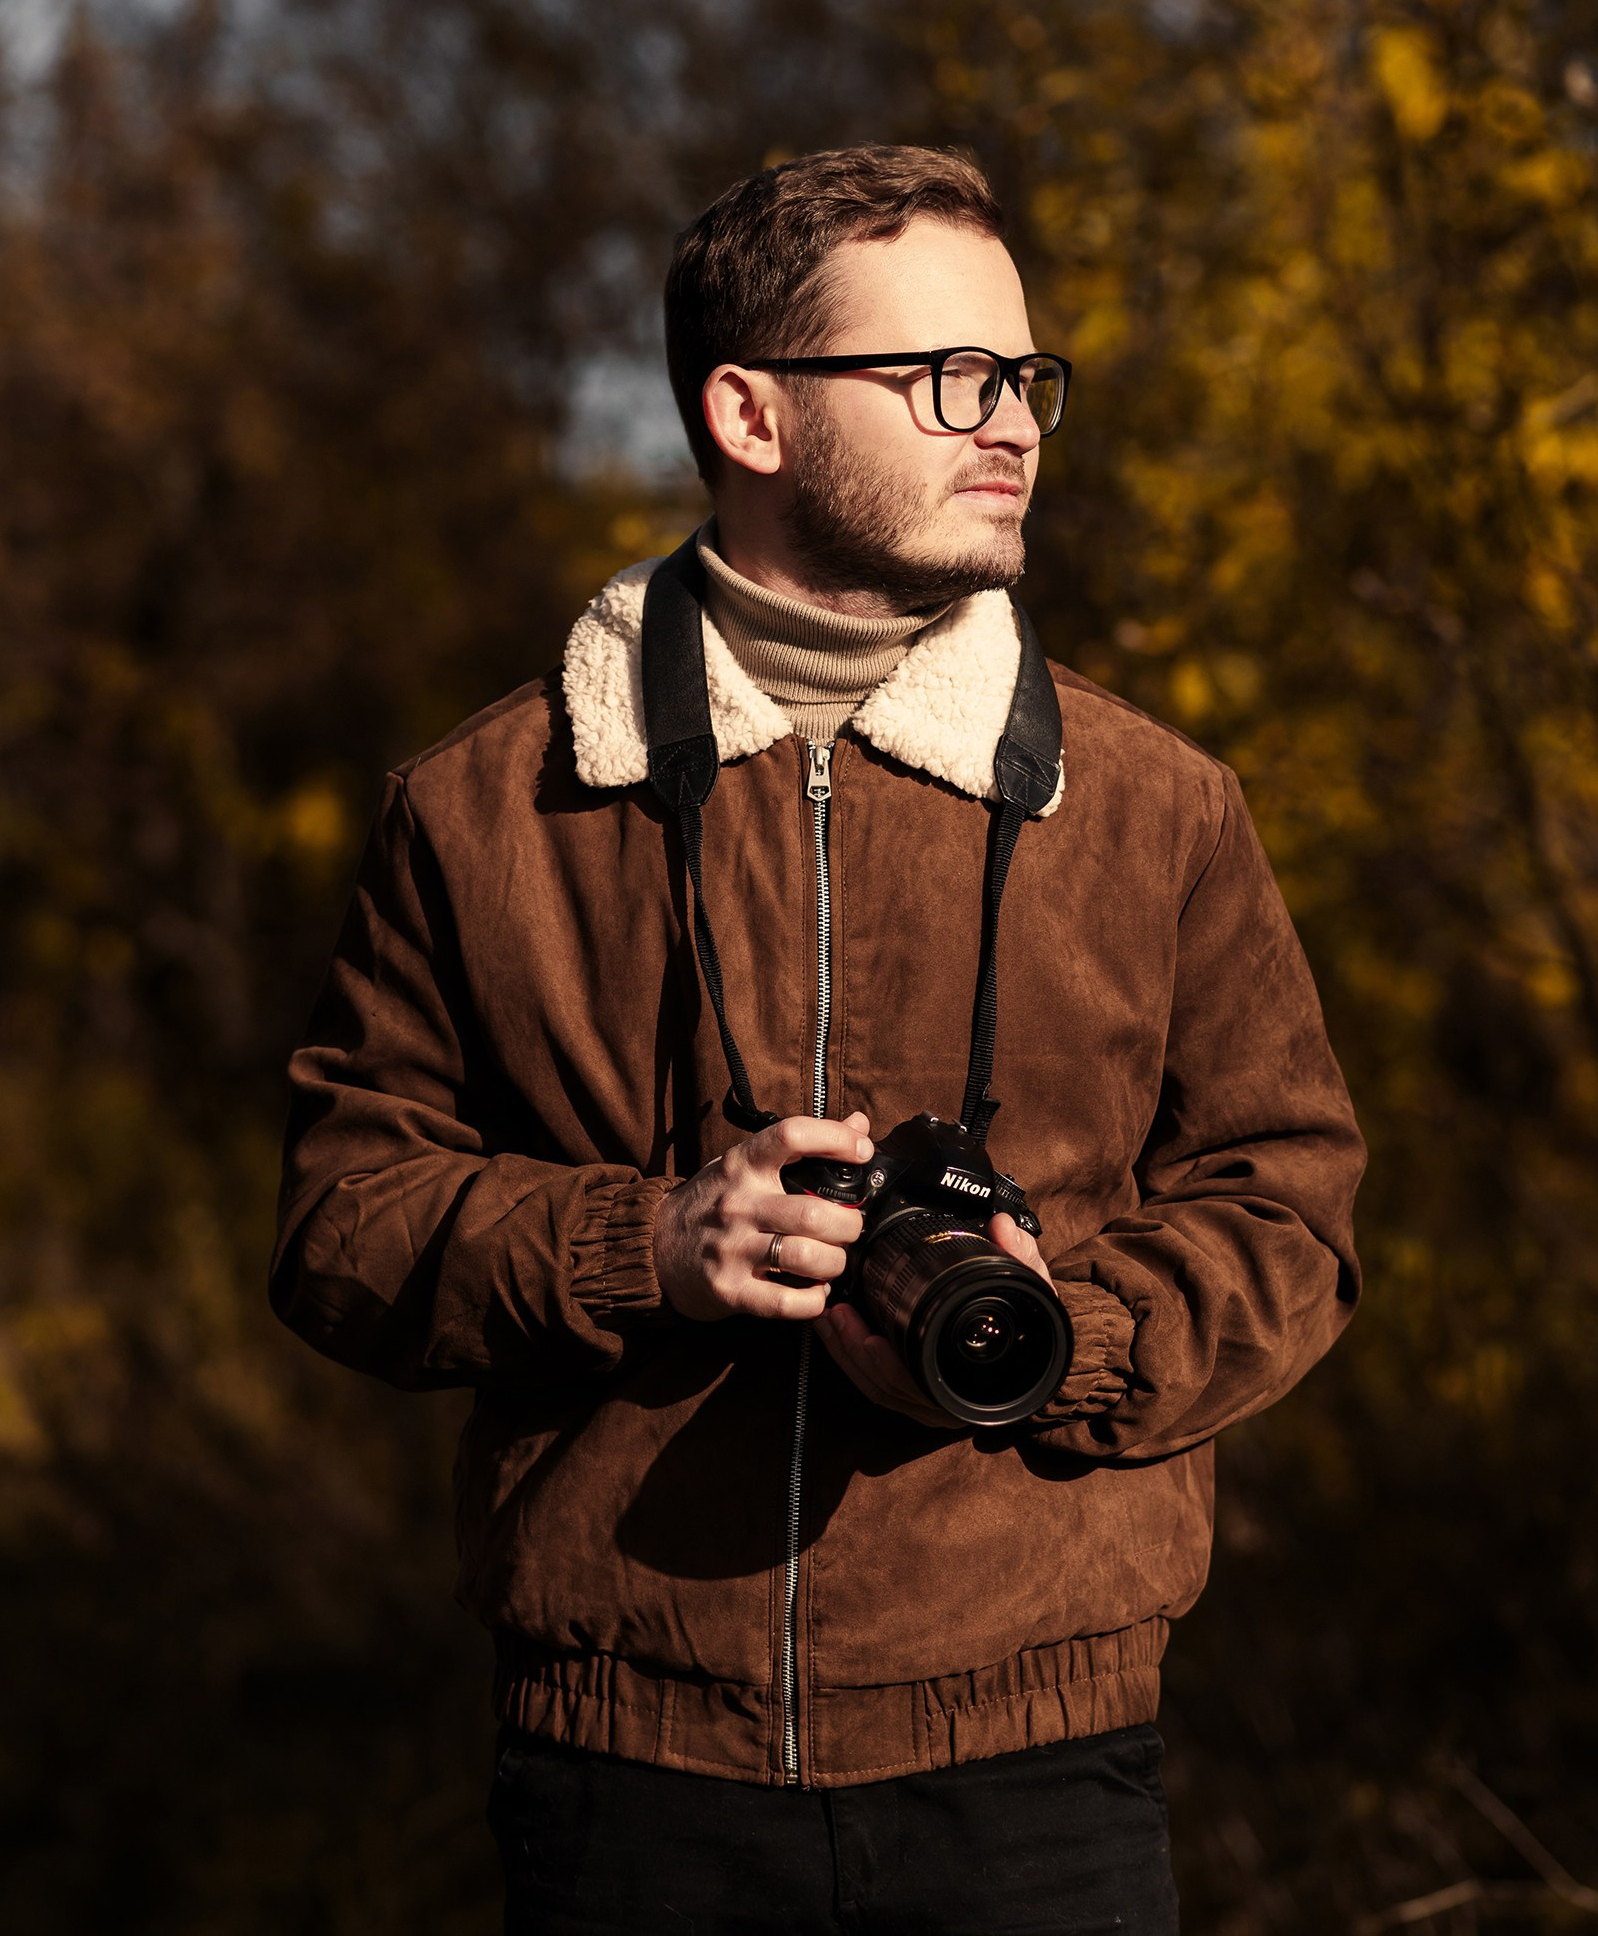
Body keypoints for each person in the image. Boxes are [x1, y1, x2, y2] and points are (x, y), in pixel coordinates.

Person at [271, 145, 1364, 1936]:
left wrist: (1058, 1333)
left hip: (1040, 1765)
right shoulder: (485, 808)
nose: (1008, 422)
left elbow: (1294, 1213)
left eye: (1022, 378)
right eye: (944, 378)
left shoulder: (1157, 808)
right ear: (749, 413)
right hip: (626, 1772)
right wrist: (652, 1245)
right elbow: (337, 1223)